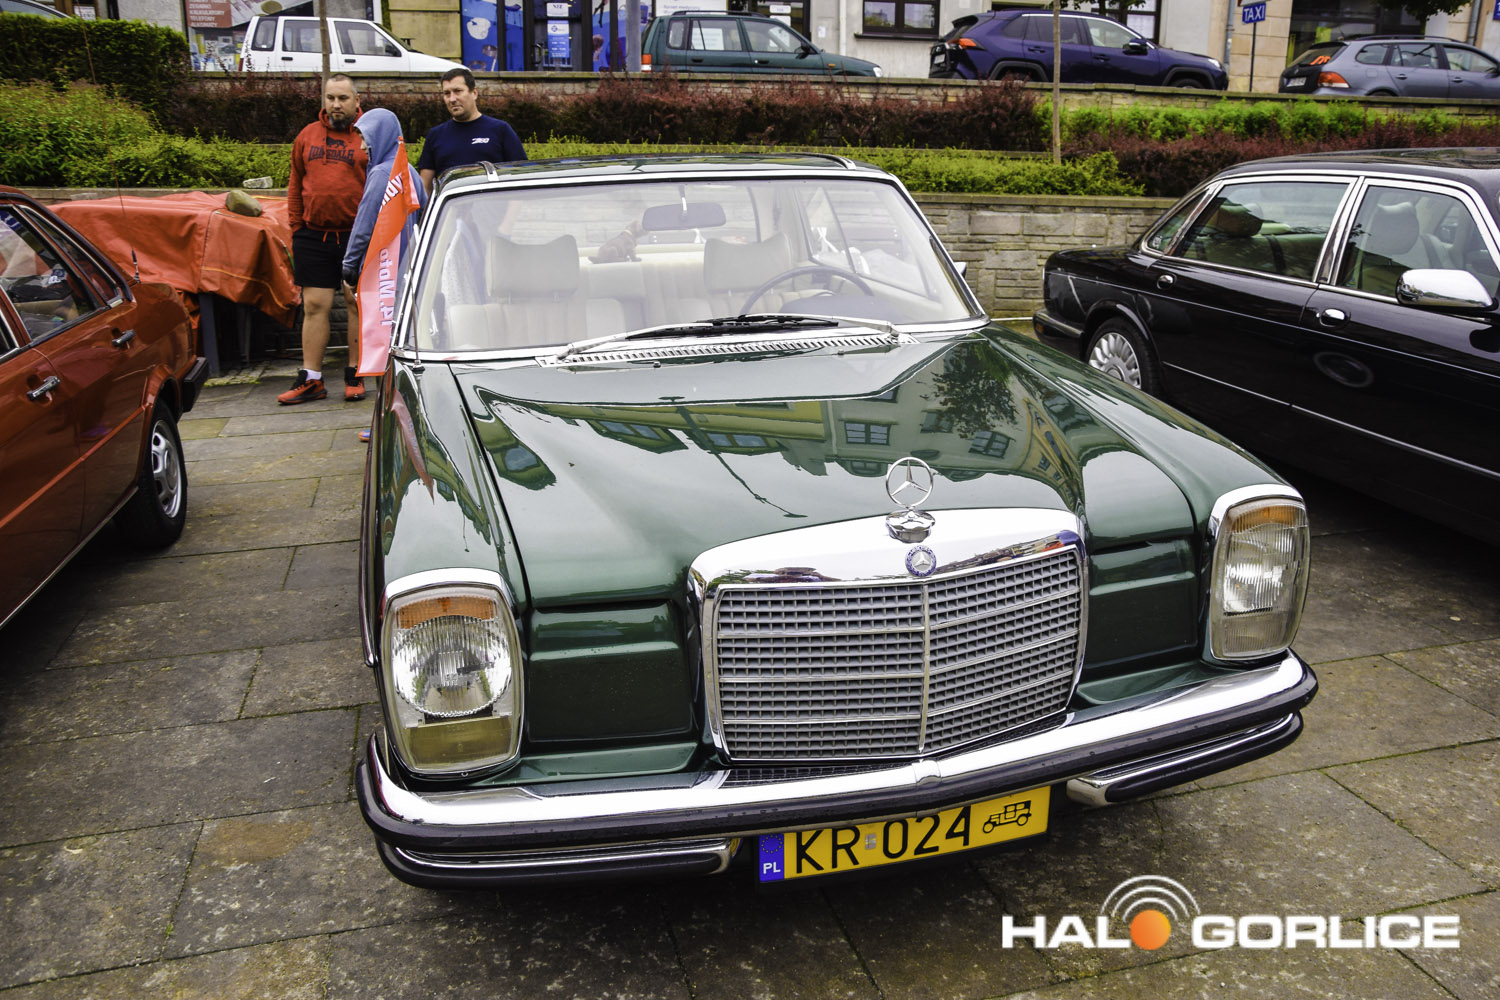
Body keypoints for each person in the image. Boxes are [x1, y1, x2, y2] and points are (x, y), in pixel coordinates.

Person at [280, 74, 370, 406]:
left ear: (356, 100)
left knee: (355, 303)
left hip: (356, 236)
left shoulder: (369, 135)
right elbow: (295, 183)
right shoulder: (307, 135)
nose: (336, 105)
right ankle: (312, 379)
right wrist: (296, 228)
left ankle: (355, 373)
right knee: (315, 306)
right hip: (313, 235)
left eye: (343, 98)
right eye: (330, 98)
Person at [341, 108, 429, 444]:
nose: (362, 146)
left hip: (382, 278)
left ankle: (386, 425)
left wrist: (349, 267)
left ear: (380, 136)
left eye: (365, 137)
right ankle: (404, 419)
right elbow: (423, 213)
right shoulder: (408, 171)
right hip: (408, 276)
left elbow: (364, 225)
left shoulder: (380, 174)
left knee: (382, 348)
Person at [416, 68, 526, 196]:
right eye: (447, 93)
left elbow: (519, 178)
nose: (452, 99)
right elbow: (425, 188)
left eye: (457, 91)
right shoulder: (435, 135)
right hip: (451, 208)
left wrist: (511, 209)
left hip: (494, 206)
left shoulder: (500, 130)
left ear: (474, 93)